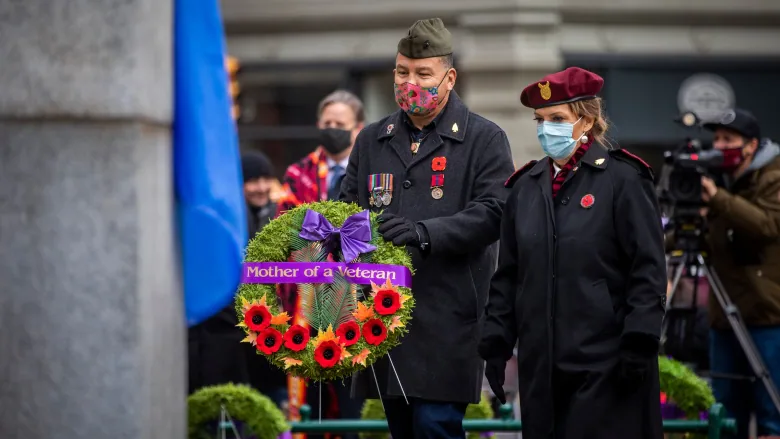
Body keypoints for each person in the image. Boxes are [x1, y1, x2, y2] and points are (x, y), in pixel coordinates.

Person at [339, 18, 515, 439]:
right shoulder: (371, 140)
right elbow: (344, 210)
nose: (409, 82)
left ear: (449, 78)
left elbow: (494, 212)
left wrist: (424, 233)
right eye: (402, 72)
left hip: (446, 320)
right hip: (383, 321)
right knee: (401, 430)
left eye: (423, 73)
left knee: (435, 428)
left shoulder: (484, 139)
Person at [478, 67, 667, 439]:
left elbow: (647, 270)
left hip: (606, 365)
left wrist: (639, 342)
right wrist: (496, 345)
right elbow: (510, 276)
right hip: (542, 368)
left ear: (588, 120)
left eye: (558, 119)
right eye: (541, 120)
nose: (547, 128)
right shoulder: (526, 188)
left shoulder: (623, 180)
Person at [276, 90, 366, 438]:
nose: (332, 130)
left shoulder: (369, 174)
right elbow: (286, 229)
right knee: (310, 405)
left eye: (339, 124)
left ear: (357, 128)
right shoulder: (298, 173)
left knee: (351, 406)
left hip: (355, 305)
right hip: (306, 303)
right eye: (327, 123)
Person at [700, 108, 780, 438]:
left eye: (728, 139)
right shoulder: (721, 180)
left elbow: (766, 225)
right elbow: (704, 237)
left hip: (767, 318)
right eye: (716, 138)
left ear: (751, 146)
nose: (719, 146)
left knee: (770, 415)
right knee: (726, 413)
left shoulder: (773, 178)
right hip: (725, 318)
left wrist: (718, 198)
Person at [241, 150, 289, 408]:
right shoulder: (232, 219)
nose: (260, 188)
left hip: (277, 323)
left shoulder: (282, 214)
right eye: (252, 180)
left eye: (265, 179)